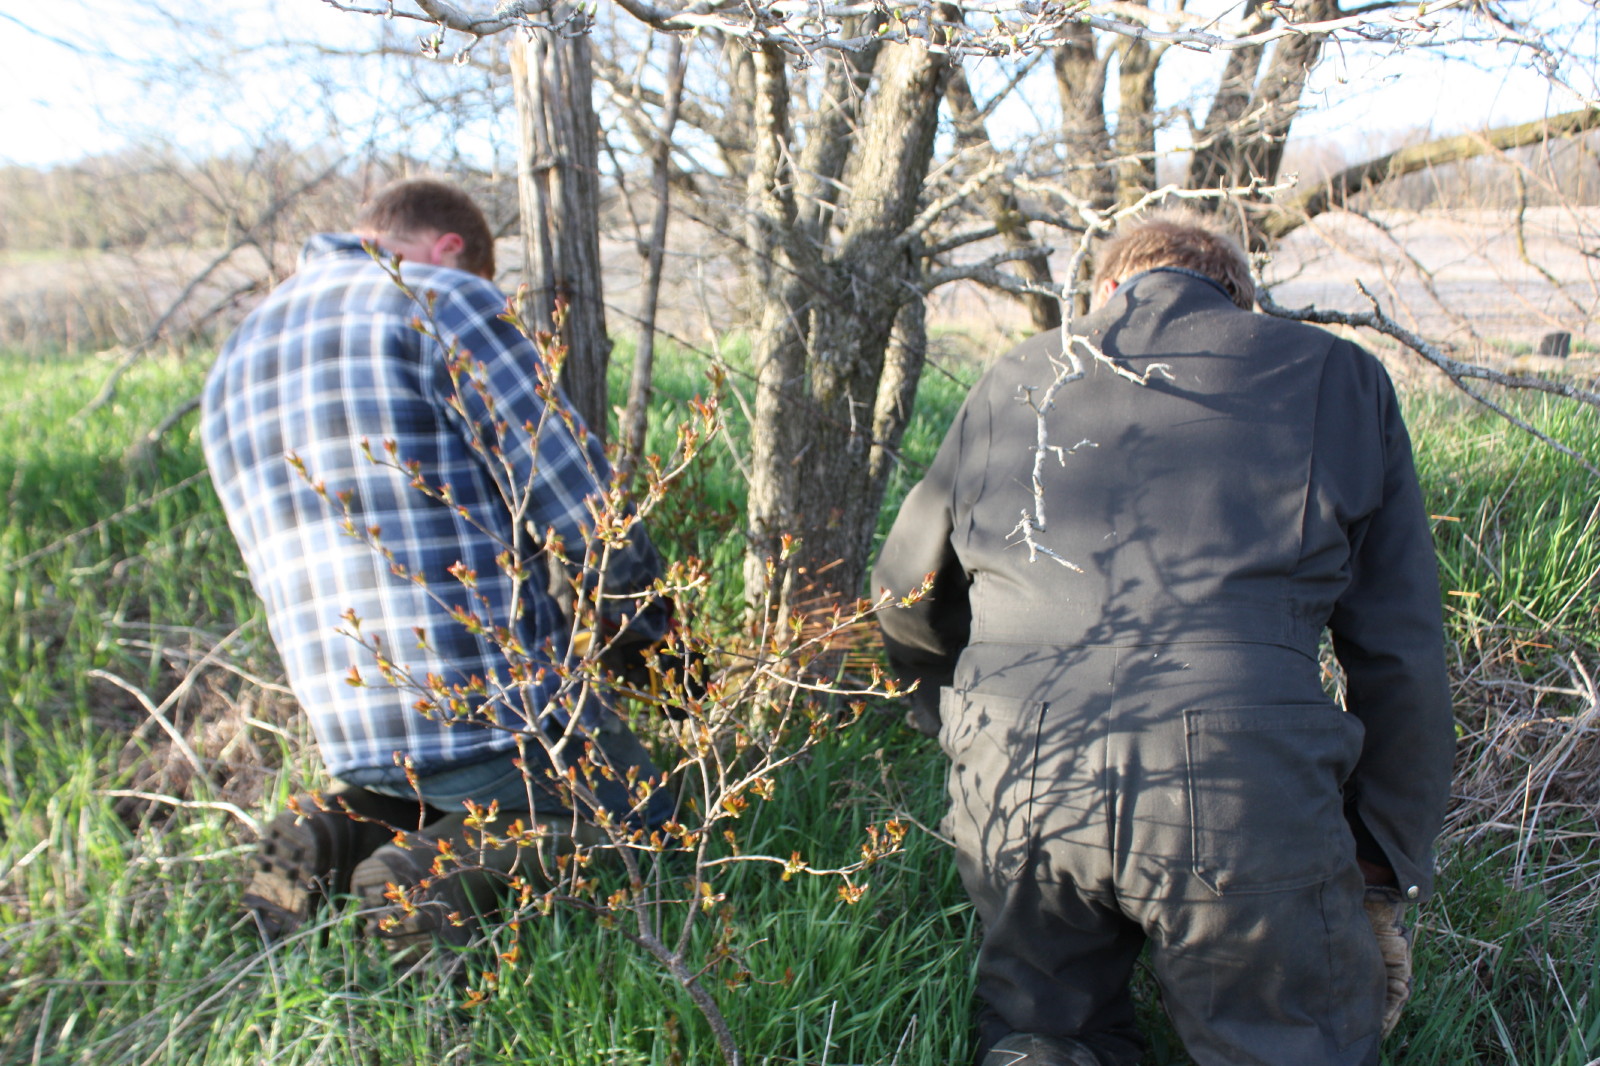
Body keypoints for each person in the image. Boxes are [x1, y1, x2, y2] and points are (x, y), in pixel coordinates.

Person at [871, 213, 1453, 1066]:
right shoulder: (1339, 378)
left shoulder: (1014, 376)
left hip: (1023, 780)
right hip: (1239, 794)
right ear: (1239, 298)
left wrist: (956, 722)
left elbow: (903, 595)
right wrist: (1382, 857)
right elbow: (1400, 655)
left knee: (1043, 1041)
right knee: (1284, 1045)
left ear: (1106, 291)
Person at [202, 178, 670, 952]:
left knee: (459, 786)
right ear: (451, 250)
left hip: (350, 724)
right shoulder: (443, 299)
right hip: (483, 710)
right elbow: (586, 507)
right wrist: (649, 639)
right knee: (641, 812)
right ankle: (433, 874)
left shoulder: (238, 353)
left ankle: (338, 827)